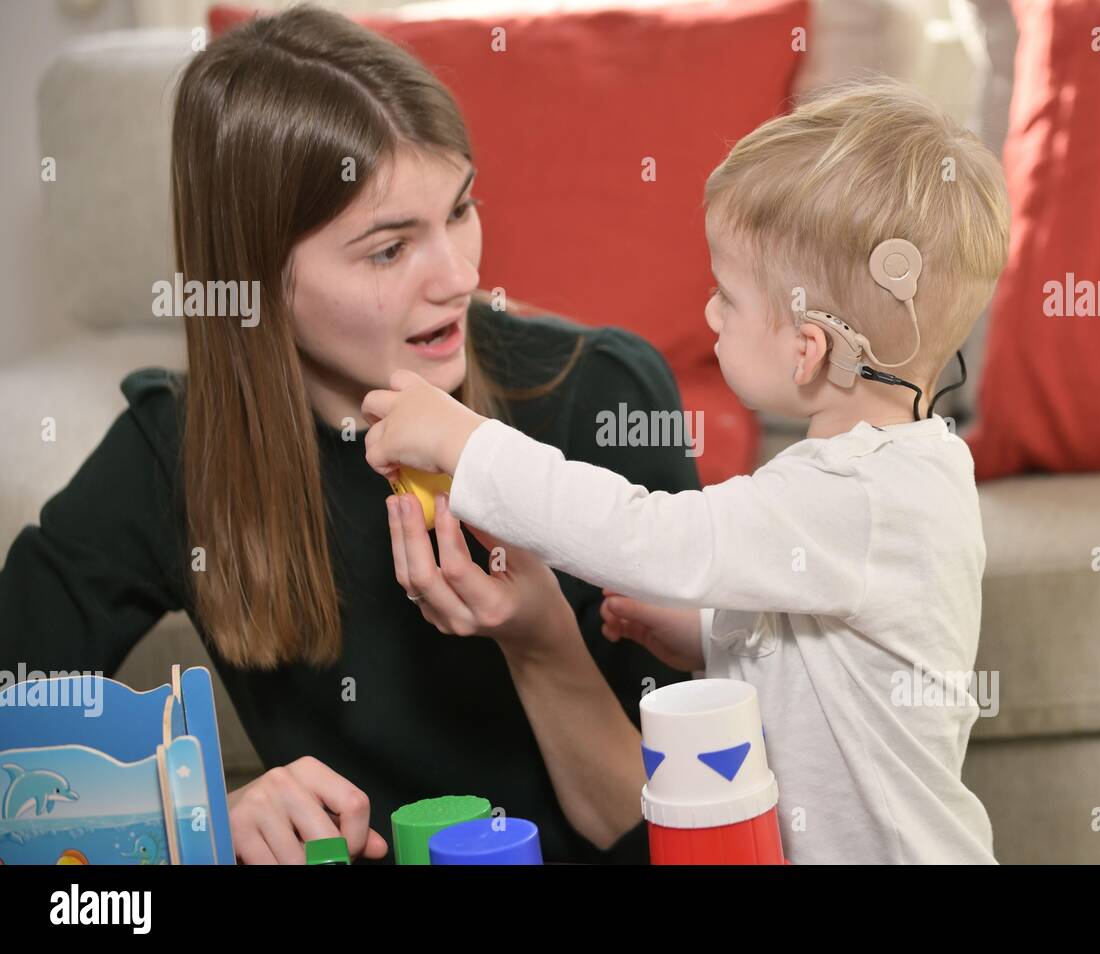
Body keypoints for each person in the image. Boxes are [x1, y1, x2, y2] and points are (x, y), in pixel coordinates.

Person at [0, 5, 699, 864]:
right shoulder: (169, 455)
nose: (461, 275)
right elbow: (16, 729)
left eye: (462, 208)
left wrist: (541, 638)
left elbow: (689, 825)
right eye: (388, 249)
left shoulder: (600, 395)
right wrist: (200, 809)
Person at [361, 78, 1011, 863]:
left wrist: (468, 443)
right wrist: (711, 633)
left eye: (726, 298)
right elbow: (825, 638)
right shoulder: (891, 471)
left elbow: (651, 534)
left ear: (807, 350)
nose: (708, 314)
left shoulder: (860, 494)